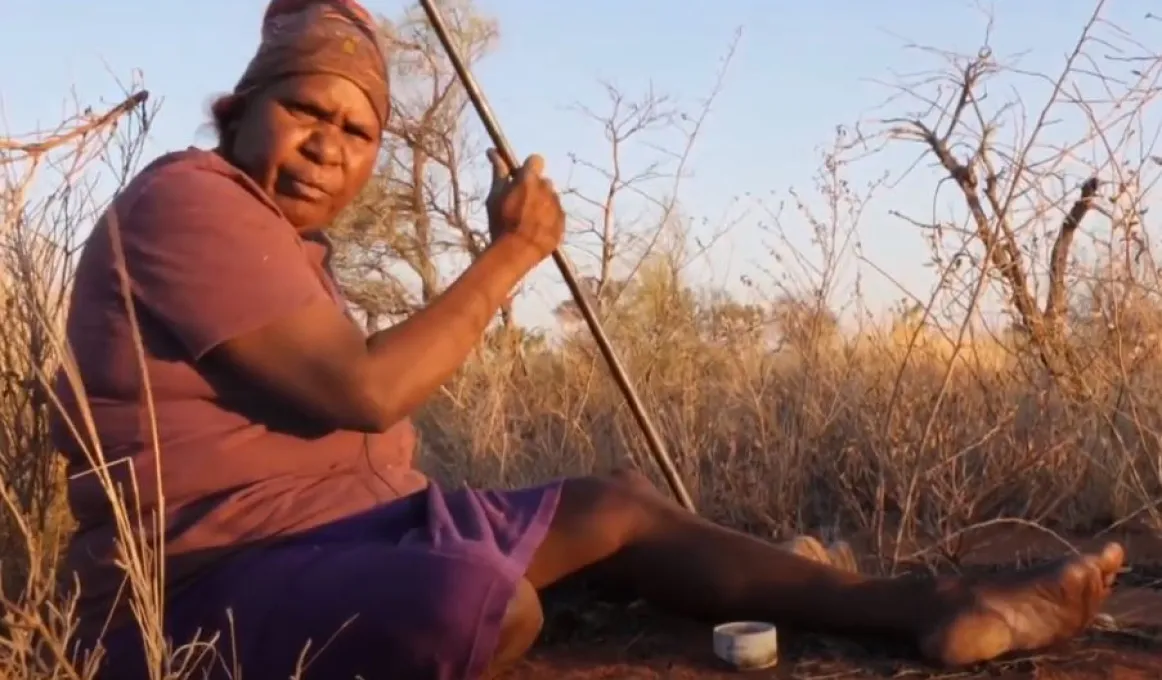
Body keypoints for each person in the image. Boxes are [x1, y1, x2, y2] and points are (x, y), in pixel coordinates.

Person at [52, 1, 1124, 678]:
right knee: (475, 600)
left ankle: (925, 604)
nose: (328, 145)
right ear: (237, 111)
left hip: (364, 532)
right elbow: (365, 393)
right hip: (214, 581)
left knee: (612, 501)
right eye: (303, 111)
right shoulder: (191, 200)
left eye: (356, 129)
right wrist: (510, 256)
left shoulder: (290, 245)